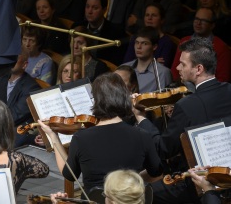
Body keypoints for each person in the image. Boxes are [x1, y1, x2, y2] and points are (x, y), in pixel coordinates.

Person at [134, 38, 231, 203]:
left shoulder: (187, 105)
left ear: (198, 68)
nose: (178, 68)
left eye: (183, 64)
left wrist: (141, 118)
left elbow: (163, 150)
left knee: (142, 194)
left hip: (200, 183)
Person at [39, 72, 162, 193]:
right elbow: (156, 172)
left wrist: (53, 135)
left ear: (95, 100)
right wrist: (130, 180)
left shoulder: (80, 138)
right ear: (124, 97)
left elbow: (69, 175)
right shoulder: (142, 135)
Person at [122, 26, 172, 93]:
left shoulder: (163, 73)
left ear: (154, 47)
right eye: (137, 42)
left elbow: (165, 101)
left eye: (144, 43)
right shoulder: (123, 69)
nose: (139, 47)